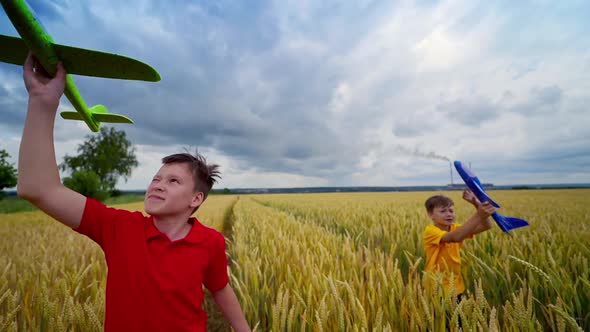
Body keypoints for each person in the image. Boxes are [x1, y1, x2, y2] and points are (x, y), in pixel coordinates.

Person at [17, 53, 250, 332]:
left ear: (196, 199)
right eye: (156, 178)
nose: (158, 184)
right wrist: (43, 101)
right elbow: (37, 188)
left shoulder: (210, 241)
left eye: (173, 181)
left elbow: (220, 288)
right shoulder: (118, 228)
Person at [422, 190, 495, 300]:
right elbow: (455, 237)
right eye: (443, 211)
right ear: (431, 215)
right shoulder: (431, 231)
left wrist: (476, 204)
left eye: (451, 211)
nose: (448, 214)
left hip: (456, 285)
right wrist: (479, 214)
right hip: (437, 286)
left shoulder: (455, 228)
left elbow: (486, 226)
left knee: (458, 316)